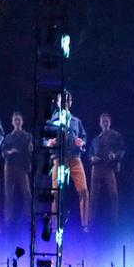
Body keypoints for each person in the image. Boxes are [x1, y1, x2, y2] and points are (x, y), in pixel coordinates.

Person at [46, 91, 90, 232]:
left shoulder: (77, 122)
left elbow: (84, 138)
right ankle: (54, 224)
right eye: (61, 100)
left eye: (67, 100)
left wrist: (81, 143)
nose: (64, 103)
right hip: (59, 158)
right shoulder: (52, 121)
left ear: (70, 103)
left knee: (83, 190)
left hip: (74, 158)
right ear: (57, 103)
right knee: (56, 192)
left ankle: (85, 224)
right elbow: (43, 138)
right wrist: (48, 142)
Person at [89, 112, 125, 229]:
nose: (105, 123)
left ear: (109, 122)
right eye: (103, 121)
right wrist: (92, 158)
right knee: (93, 196)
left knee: (113, 194)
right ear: (100, 123)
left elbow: (122, 149)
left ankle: (115, 221)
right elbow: (89, 154)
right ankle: (91, 222)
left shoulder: (116, 136)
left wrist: (115, 156)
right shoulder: (95, 140)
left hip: (108, 167)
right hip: (96, 168)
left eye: (106, 121)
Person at [0, 111, 32, 228]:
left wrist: (29, 164)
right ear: (12, 122)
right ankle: (8, 220)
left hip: (22, 167)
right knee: (8, 193)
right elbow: (2, 152)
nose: (17, 122)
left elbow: (30, 152)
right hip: (10, 166)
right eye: (15, 120)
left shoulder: (27, 136)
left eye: (19, 120)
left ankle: (28, 218)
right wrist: (9, 152)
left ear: (22, 121)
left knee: (27, 193)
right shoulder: (8, 137)